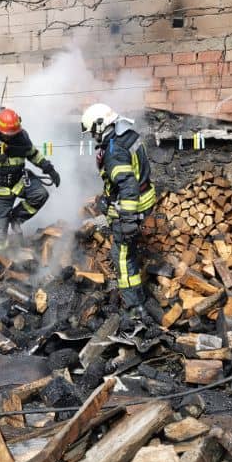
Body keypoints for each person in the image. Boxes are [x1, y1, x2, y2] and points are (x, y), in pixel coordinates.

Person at [81, 103, 155, 317]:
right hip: (144, 198)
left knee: (122, 256)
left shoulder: (114, 151)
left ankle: (135, 307)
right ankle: (137, 300)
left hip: (133, 206)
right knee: (127, 254)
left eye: (92, 132)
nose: (92, 137)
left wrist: (129, 219)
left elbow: (128, 185)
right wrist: (107, 199)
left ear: (100, 125)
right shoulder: (129, 135)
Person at [0, 108, 60, 252]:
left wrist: (49, 169)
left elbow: (33, 154)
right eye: (7, 135)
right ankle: (1, 259)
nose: (10, 138)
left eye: (14, 134)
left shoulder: (22, 136)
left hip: (19, 181)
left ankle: (16, 218)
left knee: (40, 194)